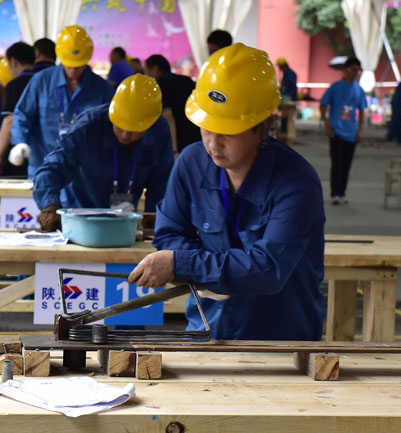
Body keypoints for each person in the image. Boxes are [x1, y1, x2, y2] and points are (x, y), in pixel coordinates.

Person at [127, 43, 326, 341]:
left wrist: (185, 264)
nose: (213, 143)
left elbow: (268, 268)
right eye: (207, 127)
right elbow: (168, 236)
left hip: (280, 342)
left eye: (228, 132)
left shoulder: (297, 183)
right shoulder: (192, 164)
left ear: (264, 125)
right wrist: (207, 271)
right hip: (206, 331)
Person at [34, 74, 174, 231]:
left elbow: (162, 179)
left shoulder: (159, 130)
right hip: (79, 218)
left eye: (135, 131)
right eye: (120, 126)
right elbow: (52, 168)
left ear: (150, 124)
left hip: (125, 221)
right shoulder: (87, 127)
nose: (125, 135)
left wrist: (155, 213)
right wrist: (50, 206)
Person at [8, 25, 113, 178]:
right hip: (44, 167)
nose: (73, 70)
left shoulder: (102, 88)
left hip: (84, 172)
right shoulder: (41, 81)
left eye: (78, 65)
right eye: (69, 64)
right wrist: (20, 142)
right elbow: (22, 114)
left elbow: (111, 127)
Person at [320, 56, 367, 205]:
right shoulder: (335, 87)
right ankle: (335, 192)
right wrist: (326, 123)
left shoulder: (359, 90)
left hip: (351, 133)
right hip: (336, 132)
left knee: (346, 164)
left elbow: (362, 111)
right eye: (353, 70)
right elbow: (323, 104)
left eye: (358, 71)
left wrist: (360, 130)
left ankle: (342, 192)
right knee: (337, 163)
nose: (356, 73)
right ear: (346, 70)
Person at [0, 42, 39, 177]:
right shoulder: (44, 82)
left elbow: (9, 121)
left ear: (13, 62)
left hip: (18, 155)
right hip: (42, 152)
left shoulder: (15, 85)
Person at [144, 54, 200, 155]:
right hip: (197, 134)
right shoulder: (186, 80)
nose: (146, 76)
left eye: (147, 72)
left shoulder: (161, 87)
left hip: (181, 137)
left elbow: (168, 118)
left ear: (156, 69)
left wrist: (174, 150)